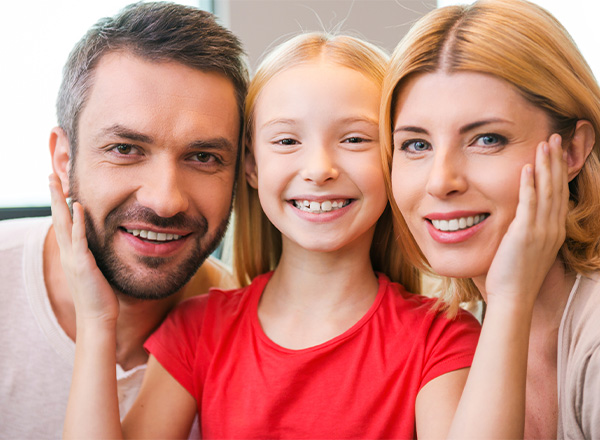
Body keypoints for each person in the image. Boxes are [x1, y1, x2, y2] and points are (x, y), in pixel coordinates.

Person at [55, 32, 485, 439]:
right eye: (286, 140)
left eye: (354, 139)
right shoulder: (198, 330)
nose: (319, 168)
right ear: (252, 166)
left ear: (394, 159)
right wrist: (97, 325)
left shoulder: (442, 337)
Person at [0, 2, 248, 439]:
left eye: (203, 156)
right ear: (64, 159)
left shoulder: (251, 332)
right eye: (125, 149)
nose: (165, 200)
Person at [382, 0, 600, 437]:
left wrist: (511, 298)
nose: (441, 181)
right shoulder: (451, 331)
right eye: (416, 145)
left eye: (486, 139)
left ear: (572, 151)